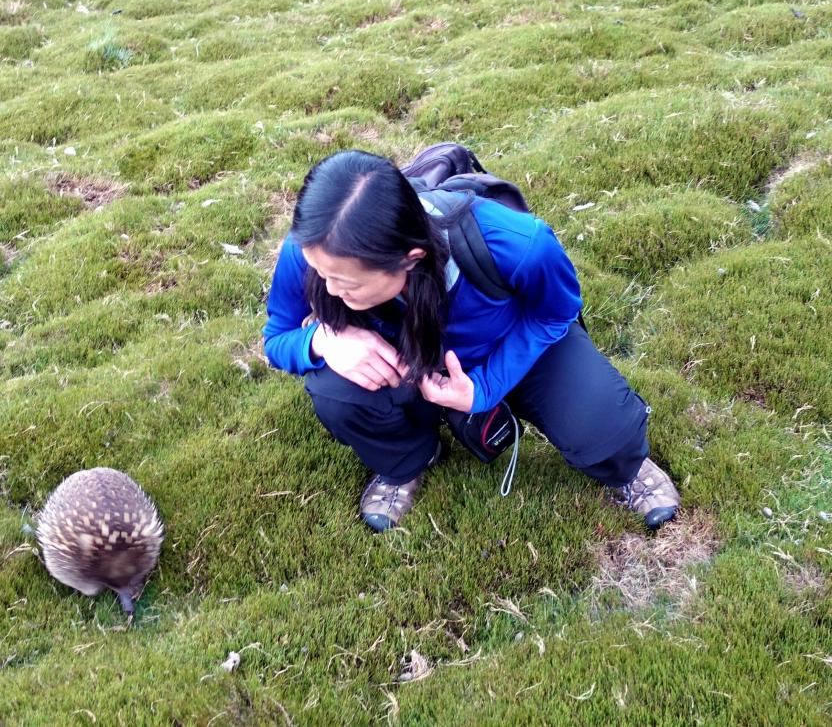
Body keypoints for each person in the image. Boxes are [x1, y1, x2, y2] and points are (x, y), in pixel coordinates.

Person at [262, 149, 680, 532]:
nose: (329, 291)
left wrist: (484, 388)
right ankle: (406, 462)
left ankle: (625, 466)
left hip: (514, 347)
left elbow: (555, 313)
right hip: (412, 366)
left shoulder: (517, 243)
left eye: (346, 282)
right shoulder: (313, 249)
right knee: (336, 391)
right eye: (321, 274)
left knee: (601, 424)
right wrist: (323, 341)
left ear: (411, 258)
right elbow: (277, 337)